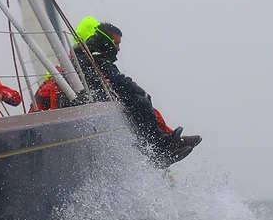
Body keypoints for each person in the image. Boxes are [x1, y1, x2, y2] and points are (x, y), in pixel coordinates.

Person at [75, 18, 201, 166]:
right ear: (106, 41)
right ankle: (160, 148)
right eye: (116, 44)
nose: (118, 48)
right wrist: (137, 90)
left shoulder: (94, 54)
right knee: (140, 102)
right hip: (94, 96)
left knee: (143, 101)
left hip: (99, 92)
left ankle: (167, 141)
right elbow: (117, 80)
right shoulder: (94, 55)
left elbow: (115, 78)